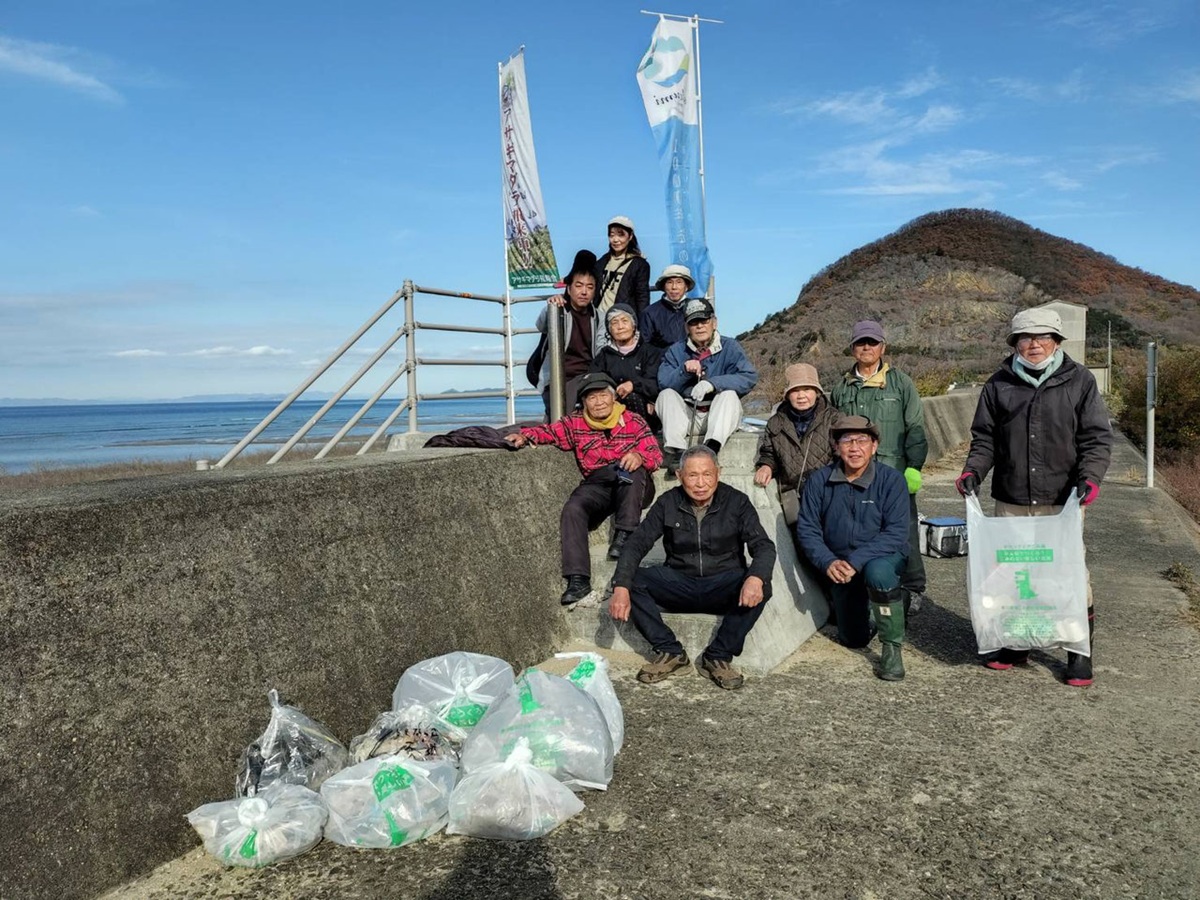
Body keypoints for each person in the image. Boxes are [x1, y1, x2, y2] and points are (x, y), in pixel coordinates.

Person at [956, 307, 1113, 686]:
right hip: (1012, 496)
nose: (1034, 344)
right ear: (1014, 343)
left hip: (1063, 499)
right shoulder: (999, 384)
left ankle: (1078, 650)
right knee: (1015, 574)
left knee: (1069, 575)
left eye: (1043, 337)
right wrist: (972, 470)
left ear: (1057, 341)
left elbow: (1095, 438)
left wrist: (1090, 479)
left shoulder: (1079, 381)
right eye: (1026, 338)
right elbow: (986, 438)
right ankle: (1017, 641)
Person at [608, 445, 776, 690]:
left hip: (722, 585)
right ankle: (670, 651)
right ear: (679, 476)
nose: (700, 483)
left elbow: (764, 546)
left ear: (718, 473)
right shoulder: (668, 502)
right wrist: (620, 585)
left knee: (763, 582)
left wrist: (756, 578)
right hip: (680, 584)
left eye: (707, 474)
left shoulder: (737, 502)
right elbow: (635, 544)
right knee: (631, 581)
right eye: (692, 475)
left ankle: (718, 655)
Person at [506, 372, 662, 605]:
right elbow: (548, 432)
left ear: (613, 399)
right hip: (599, 483)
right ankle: (578, 579)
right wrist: (524, 436)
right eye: (591, 398)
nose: (598, 402)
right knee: (573, 508)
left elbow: (655, 454)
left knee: (632, 470)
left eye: (603, 396)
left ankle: (625, 535)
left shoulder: (634, 420)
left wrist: (639, 456)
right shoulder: (575, 423)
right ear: (584, 402)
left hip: (635, 485)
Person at [797, 415, 911, 680]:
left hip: (881, 556)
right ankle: (877, 610)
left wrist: (856, 560)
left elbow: (895, 533)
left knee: (879, 573)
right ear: (836, 447)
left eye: (862, 440)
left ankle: (892, 647)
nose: (854, 447)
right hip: (839, 564)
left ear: (874, 445)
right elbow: (808, 529)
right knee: (852, 639)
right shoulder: (819, 481)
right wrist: (828, 562)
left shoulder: (891, 480)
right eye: (847, 440)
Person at [829, 320, 929, 614]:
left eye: (873, 342)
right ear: (853, 348)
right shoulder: (841, 387)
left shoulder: (900, 383)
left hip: (894, 471)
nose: (867, 348)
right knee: (854, 529)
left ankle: (912, 587)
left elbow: (916, 428)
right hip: (853, 474)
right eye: (861, 343)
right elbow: (833, 431)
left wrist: (915, 467)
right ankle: (856, 585)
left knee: (904, 530)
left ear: (883, 347)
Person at [656, 299, 758, 473]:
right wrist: (684, 371)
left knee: (729, 395)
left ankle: (710, 449)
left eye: (704, 321)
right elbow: (663, 382)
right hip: (688, 414)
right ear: (687, 327)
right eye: (694, 323)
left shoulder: (730, 347)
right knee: (666, 395)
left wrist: (713, 383)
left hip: (718, 414)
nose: (700, 327)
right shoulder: (676, 350)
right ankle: (678, 452)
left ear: (714, 322)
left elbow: (748, 377)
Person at [753, 362, 839, 526]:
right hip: (791, 496)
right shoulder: (775, 422)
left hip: (827, 495)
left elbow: (842, 457)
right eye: (795, 391)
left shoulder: (834, 419)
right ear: (787, 395)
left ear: (817, 392)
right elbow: (769, 453)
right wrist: (766, 466)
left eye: (807, 389)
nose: (801, 396)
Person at [534, 250, 603, 418]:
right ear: (569, 288)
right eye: (579, 286)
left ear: (594, 291)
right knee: (566, 409)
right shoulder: (558, 310)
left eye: (590, 287)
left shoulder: (599, 316)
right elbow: (540, 325)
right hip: (559, 377)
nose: (584, 291)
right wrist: (550, 306)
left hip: (587, 376)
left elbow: (602, 350)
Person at [589, 303, 662, 427]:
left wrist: (633, 385)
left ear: (633, 326)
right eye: (614, 323)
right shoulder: (604, 355)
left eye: (624, 321)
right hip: (612, 406)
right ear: (609, 329)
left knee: (632, 397)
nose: (620, 327)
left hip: (644, 408)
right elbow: (594, 380)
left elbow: (655, 383)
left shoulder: (649, 351)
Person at [594, 216, 651, 320]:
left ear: (630, 236)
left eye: (621, 235)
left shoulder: (639, 264)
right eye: (611, 235)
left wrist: (643, 325)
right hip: (600, 318)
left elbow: (642, 297)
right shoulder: (602, 261)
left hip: (622, 319)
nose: (615, 240)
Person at [640, 264, 694, 351]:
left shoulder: (696, 309)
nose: (674, 287)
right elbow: (645, 346)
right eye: (669, 282)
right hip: (662, 362)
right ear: (664, 286)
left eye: (679, 282)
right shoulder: (650, 313)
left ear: (686, 287)